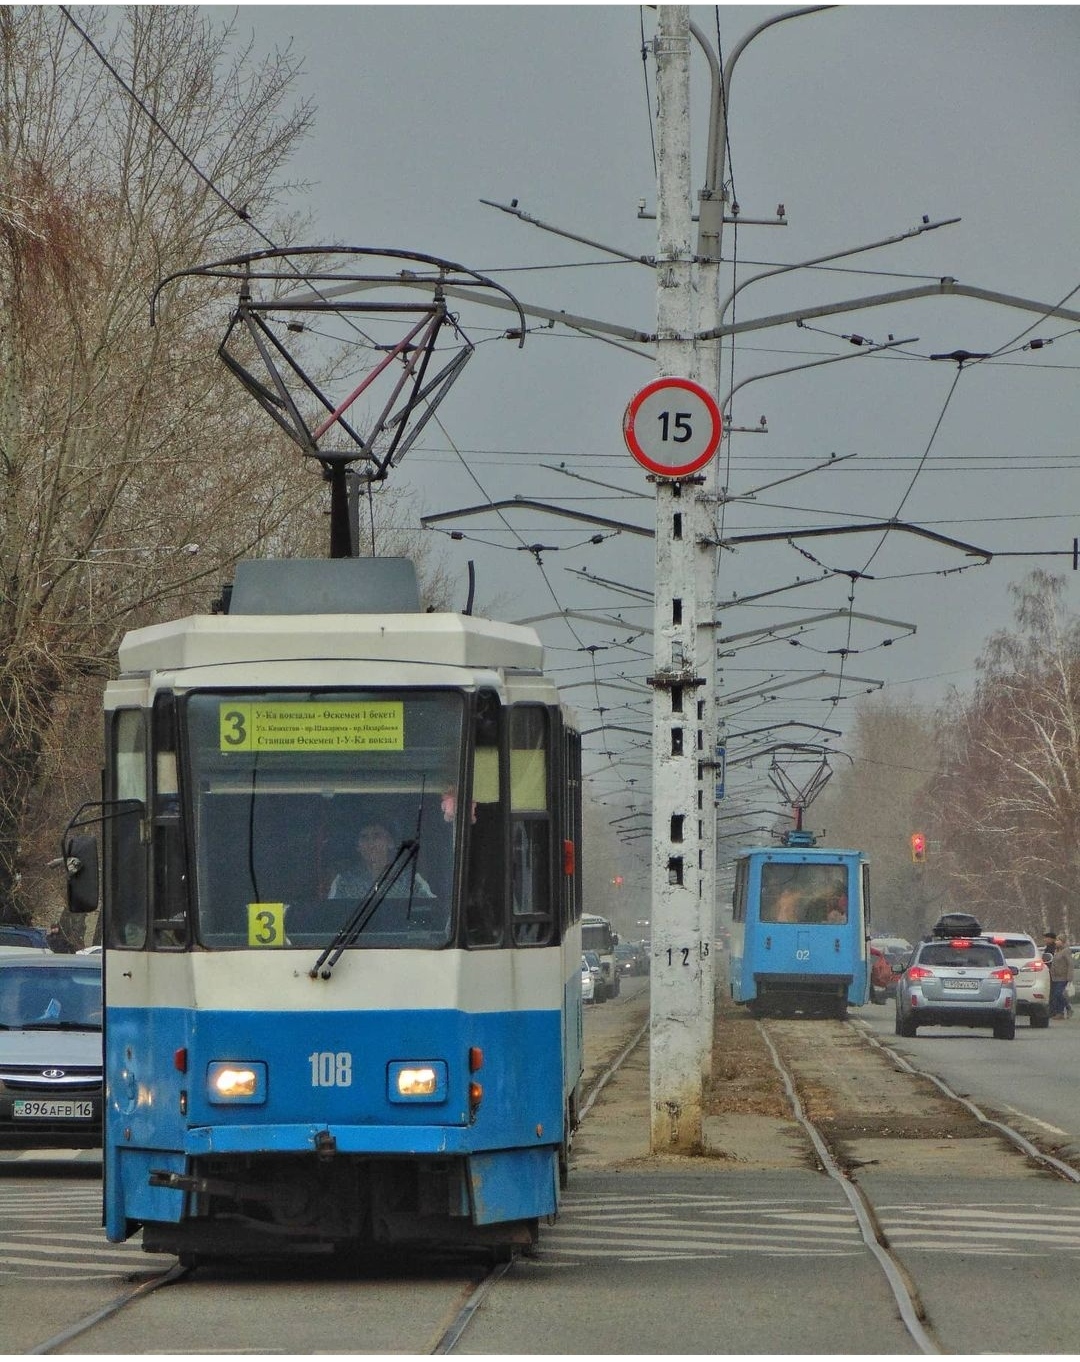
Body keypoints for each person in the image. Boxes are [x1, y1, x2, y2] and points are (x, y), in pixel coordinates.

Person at [329, 819, 434, 901]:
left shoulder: (411, 881)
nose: (371, 844)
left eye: (377, 836)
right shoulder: (344, 883)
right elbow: (333, 918)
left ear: (390, 842)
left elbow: (430, 913)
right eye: (364, 837)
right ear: (358, 847)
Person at [1048, 932, 1074, 1020]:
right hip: (1055, 977)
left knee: (1058, 994)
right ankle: (1060, 1013)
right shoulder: (1056, 950)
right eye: (1056, 940)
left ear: (1063, 941)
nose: (1056, 942)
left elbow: (1070, 964)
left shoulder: (1066, 950)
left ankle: (1068, 1007)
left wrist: (1070, 977)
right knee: (1056, 995)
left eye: (1058, 940)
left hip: (1063, 976)